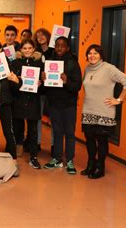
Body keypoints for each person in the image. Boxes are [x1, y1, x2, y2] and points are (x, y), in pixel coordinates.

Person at [81, 44, 126, 179]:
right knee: (89, 140)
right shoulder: (87, 68)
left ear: (101, 55)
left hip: (104, 111)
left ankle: (100, 167)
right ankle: (91, 164)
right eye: (90, 53)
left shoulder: (108, 68)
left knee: (101, 141)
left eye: (95, 53)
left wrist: (119, 100)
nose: (92, 55)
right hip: (88, 110)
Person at [42, 37, 82, 174]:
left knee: (70, 133)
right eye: (57, 45)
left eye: (62, 46)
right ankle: (57, 159)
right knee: (57, 132)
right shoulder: (49, 62)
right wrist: (44, 79)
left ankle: (70, 160)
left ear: (68, 48)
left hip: (69, 104)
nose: (59, 48)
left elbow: (77, 85)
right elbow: (45, 88)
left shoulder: (73, 63)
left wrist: (66, 82)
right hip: (54, 103)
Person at [9, 39, 44, 168]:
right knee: (18, 128)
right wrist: (16, 81)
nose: (27, 50)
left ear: (34, 49)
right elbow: (12, 85)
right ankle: (17, 153)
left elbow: (44, 86)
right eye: (25, 48)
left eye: (30, 48)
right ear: (21, 50)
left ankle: (33, 157)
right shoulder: (15, 64)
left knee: (33, 130)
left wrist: (41, 84)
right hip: (18, 100)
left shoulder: (39, 64)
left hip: (33, 101)